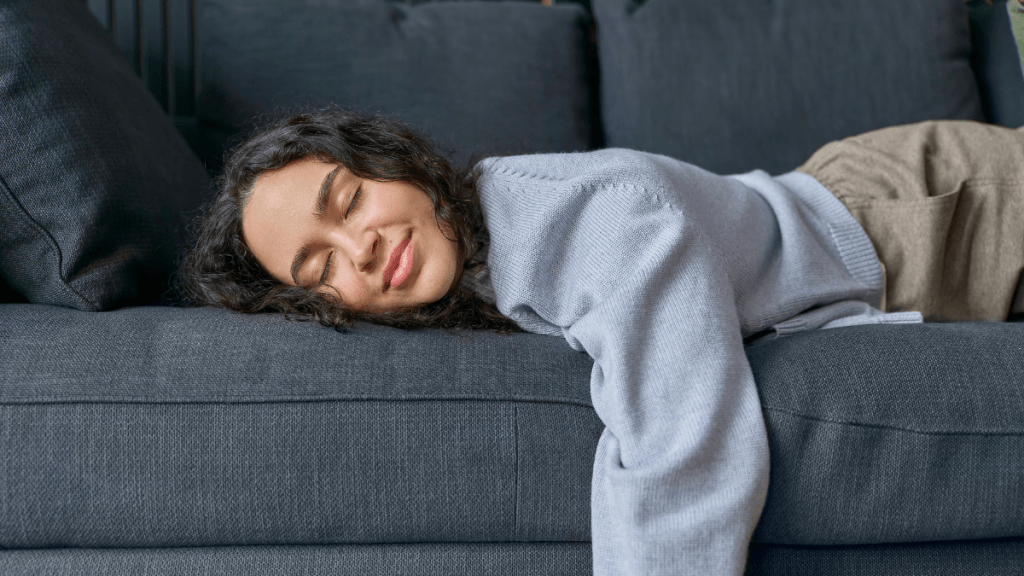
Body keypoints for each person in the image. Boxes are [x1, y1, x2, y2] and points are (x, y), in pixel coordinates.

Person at [177, 108, 1024, 576]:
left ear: (391, 163)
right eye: (319, 267)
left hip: (929, 208)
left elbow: (678, 437)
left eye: (349, 201)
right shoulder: (462, 273)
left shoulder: (576, 217)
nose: (358, 249)